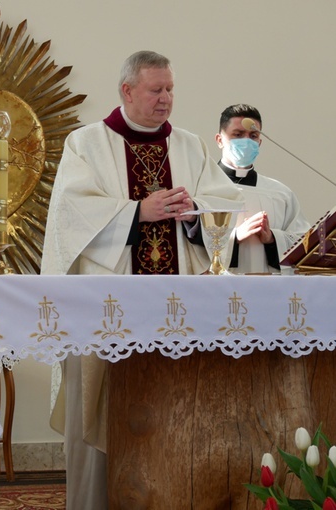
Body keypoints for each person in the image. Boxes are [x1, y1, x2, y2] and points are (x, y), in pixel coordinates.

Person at [41, 51, 242, 509]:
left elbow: (220, 206)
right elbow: (71, 217)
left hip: (179, 309)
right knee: (101, 416)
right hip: (106, 309)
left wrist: (195, 215)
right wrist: (137, 211)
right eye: (156, 90)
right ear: (127, 91)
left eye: (170, 89)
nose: (166, 99)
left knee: (175, 415)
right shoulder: (86, 144)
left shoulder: (188, 146)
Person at [215, 104, 310, 274]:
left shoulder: (280, 193)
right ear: (220, 140)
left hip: (270, 290)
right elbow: (189, 246)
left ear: (260, 141)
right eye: (238, 135)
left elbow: (303, 243)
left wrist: (273, 239)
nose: (246, 141)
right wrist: (234, 238)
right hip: (221, 291)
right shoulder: (202, 188)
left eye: (253, 135)